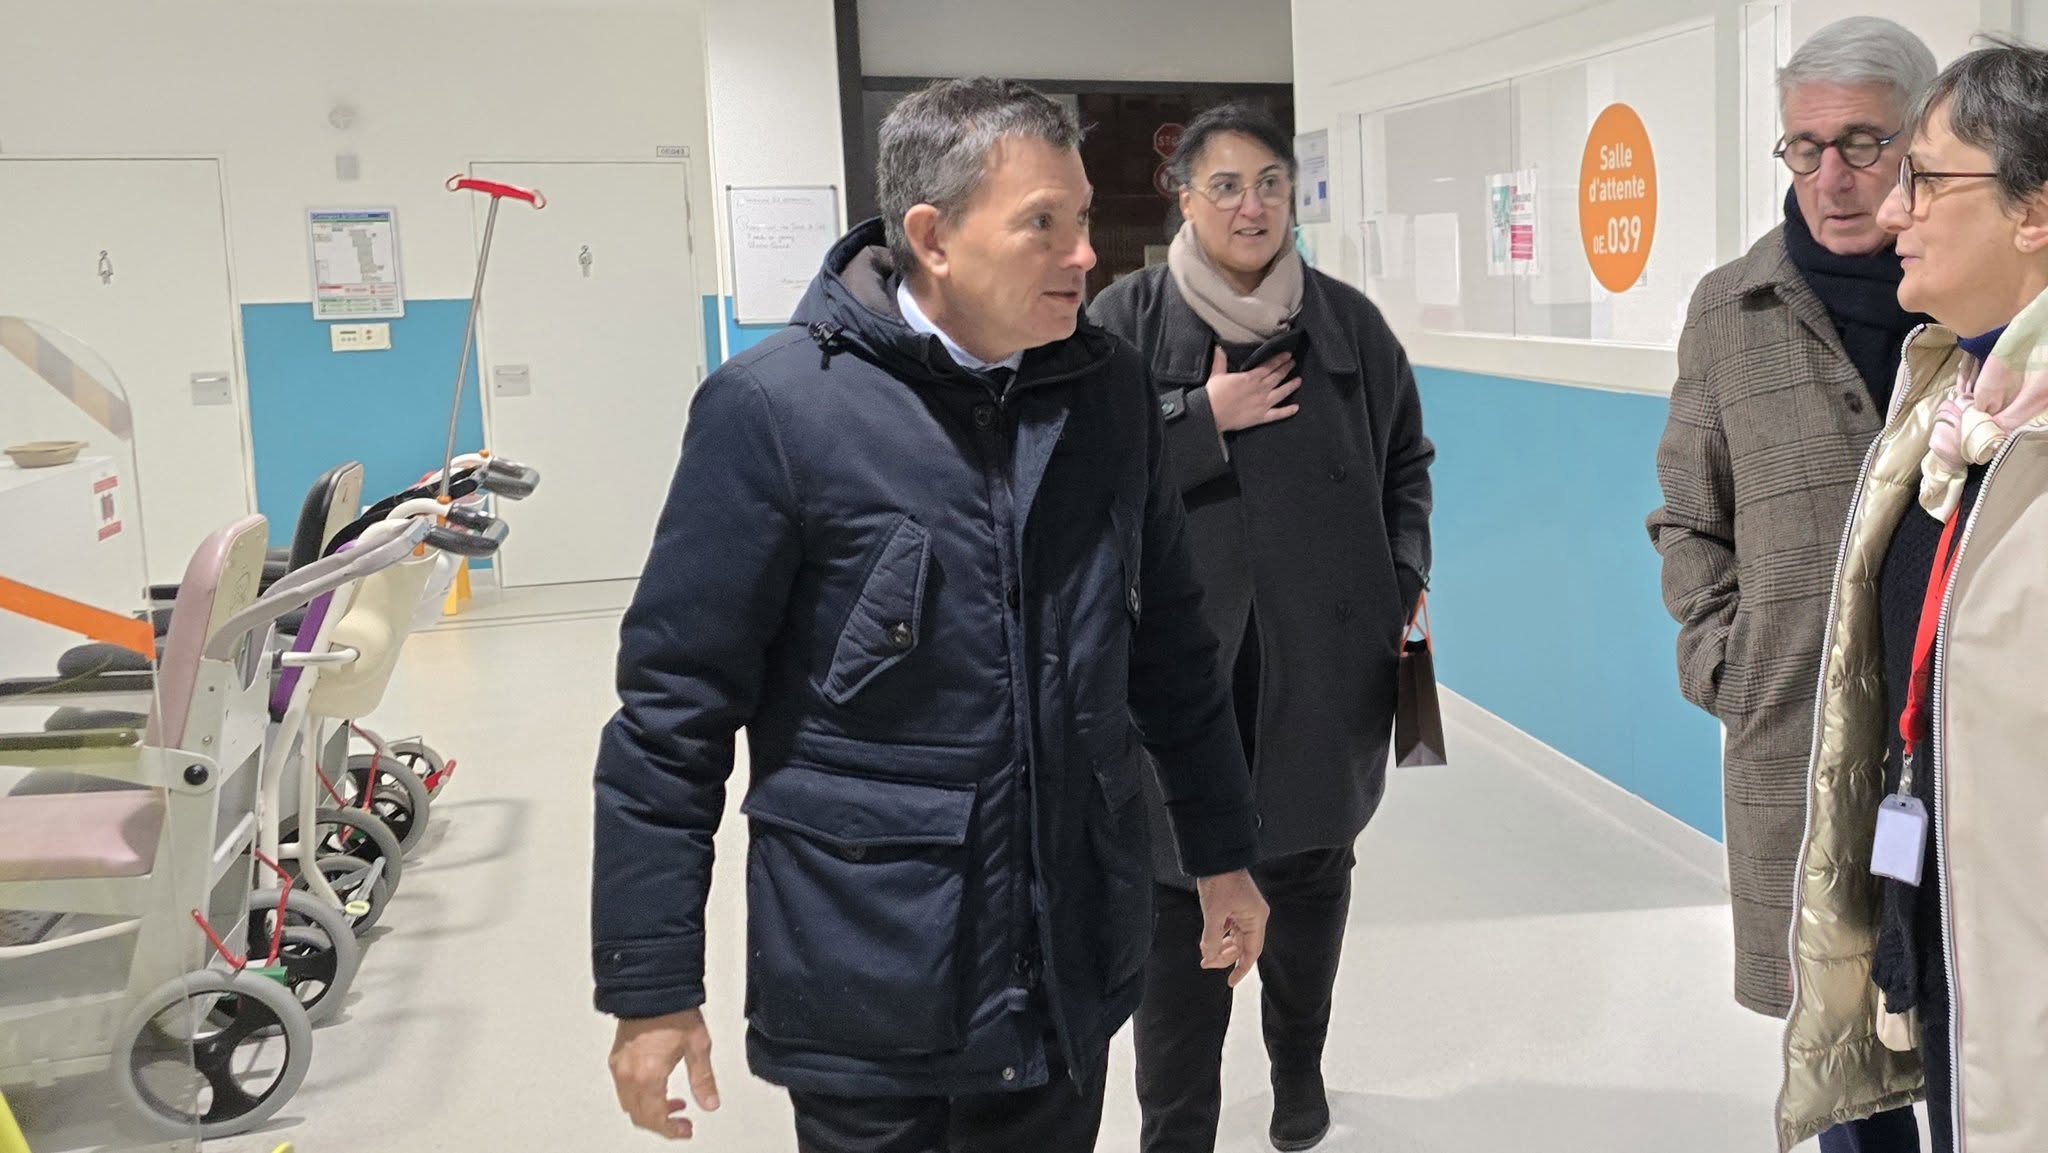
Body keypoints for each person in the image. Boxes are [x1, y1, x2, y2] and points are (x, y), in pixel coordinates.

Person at [589, 77, 1272, 1153]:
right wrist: (651, 982)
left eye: (1083, 217)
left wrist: (1222, 853)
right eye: (1041, 223)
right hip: (871, 976)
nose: (1083, 254)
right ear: (932, 237)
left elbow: (1172, 653)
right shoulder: (776, 410)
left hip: (1067, 969)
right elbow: (673, 710)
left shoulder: (1108, 396)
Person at [1090, 105, 1434, 1153]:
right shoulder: (1123, 319)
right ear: (1184, 198)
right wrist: (1201, 418)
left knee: (1309, 879)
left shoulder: (1347, 324)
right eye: (1228, 185)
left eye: (1272, 183)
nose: (1254, 206)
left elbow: (1405, 463)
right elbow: (1077, 463)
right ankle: (1176, 1125)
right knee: (1174, 903)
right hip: (1178, 667)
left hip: (1320, 657)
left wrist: (1401, 576)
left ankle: (1297, 1072)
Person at [1646, 21, 1935, 1149]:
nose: (1831, 176)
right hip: (1801, 737)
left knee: (1967, 1008)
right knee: (1838, 1036)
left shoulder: (1977, 302)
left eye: (1863, 142)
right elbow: (1687, 515)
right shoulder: (1733, 309)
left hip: (1952, 733)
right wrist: (1724, 660)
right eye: (1804, 147)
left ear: (1921, 141)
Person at [1778, 39, 2048, 1153]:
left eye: (1922, 178)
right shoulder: (1952, 395)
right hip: (1941, 922)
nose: (1892, 209)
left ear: (2035, 211)